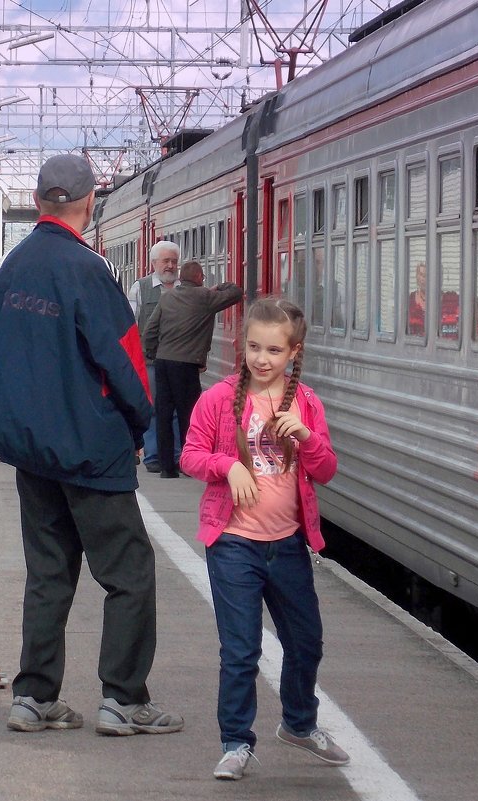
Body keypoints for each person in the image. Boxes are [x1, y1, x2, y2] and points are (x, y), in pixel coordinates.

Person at [0, 153, 183, 736]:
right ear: (90, 202)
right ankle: (124, 698)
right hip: (91, 449)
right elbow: (124, 358)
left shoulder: (10, 267)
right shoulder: (88, 270)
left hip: (31, 449)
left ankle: (34, 697)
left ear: (41, 200)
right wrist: (143, 425)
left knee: (49, 572)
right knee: (128, 573)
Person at [179, 297, 348, 780]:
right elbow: (190, 454)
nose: (261, 358)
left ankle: (298, 724)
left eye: (273, 350)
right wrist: (226, 464)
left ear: (293, 352)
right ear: (243, 345)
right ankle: (236, 742)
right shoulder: (218, 399)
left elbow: (327, 470)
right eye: (253, 347)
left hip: (288, 544)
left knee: (306, 642)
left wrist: (309, 441)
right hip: (233, 542)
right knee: (241, 649)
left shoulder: (307, 403)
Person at [143, 260, 242, 478]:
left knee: (163, 414)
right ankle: (189, 463)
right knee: (189, 414)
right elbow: (236, 292)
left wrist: (152, 353)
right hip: (186, 365)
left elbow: (150, 330)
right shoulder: (204, 297)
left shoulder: (167, 297)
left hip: (162, 362)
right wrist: (216, 288)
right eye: (203, 277)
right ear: (198, 277)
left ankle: (167, 468)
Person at [128, 241, 181, 473]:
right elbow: (130, 322)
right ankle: (153, 456)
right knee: (153, 409)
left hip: (179, 361)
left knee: (178, 410)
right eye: (165, 261)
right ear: (154, 263)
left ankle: (177, 455)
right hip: (149, 361)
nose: (170, 266)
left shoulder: (184, 288)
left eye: (174, 261)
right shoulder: (140, 288)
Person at [407, 261, 426, 336]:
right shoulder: (409, 301)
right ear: (417, 277)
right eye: (421, 275)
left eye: (427, 275)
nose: (424, 279)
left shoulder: (447, 301)